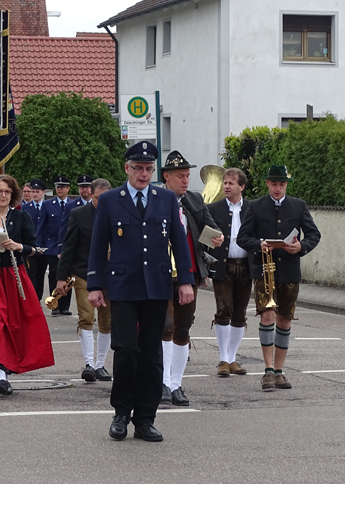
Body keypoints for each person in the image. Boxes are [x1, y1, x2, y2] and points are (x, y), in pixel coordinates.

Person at [87, 141, 194, 442]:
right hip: (123, 286)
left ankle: (145, 418)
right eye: (138, 169)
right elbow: (98, 246)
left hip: (156, 286)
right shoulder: (110, 200)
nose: (144, 174)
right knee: (125, 350)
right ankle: (121, 412)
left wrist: (185, 280)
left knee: (151, 354)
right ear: (127, 169)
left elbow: (179, 243)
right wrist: (95, 285)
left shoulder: (166, 199)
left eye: (148, 169)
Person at [0, 175, 55, 395]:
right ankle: (1, 377)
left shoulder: (21, 217)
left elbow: (34, 249)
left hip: (14, 277)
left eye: (6, 191)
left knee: (15, 324)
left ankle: (9, 367)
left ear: (12, 193)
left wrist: (18, 246)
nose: (3, 195)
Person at [237, 165, 321, 391]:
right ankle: (267, 371)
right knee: (267, 316)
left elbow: (314, 234)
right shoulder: (255, 206)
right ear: (267, 183)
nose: (277, 188)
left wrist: (301, 246)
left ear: (286, 185)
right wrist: (258, 245)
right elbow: (242, 238)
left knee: (284, 320)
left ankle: (280, 371)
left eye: (281, 184)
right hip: (264, 271)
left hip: (289, 271)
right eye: (274, 184)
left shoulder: (298, 205)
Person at [159, 151, 224, 407]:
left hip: (189, 273)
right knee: (164, 326)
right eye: (180, 176)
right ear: (166, 176)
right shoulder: (156, 199)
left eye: (187, 176)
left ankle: (176, 384)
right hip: (162, 272)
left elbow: (209, 230)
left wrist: (216, 238)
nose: (185, 181)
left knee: (183, 327)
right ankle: (162, 382)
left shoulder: (195, 200)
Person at [56, 178, 113, 383]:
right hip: (83, 273)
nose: (101, 202)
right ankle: (89, 364)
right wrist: (61, 277)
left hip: (110, 276)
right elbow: (68, 247)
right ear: (91, 195)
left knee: (107, 322)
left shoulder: (117, 214)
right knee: (86, 318)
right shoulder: (79, 214)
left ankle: (100, 365)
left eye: (105, 198)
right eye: (98, 198)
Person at [207, 167, 252, 377]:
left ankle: (233, 358)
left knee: (240, 314)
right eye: (225, 183)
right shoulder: (214, 208)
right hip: (222, 266)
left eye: (231, 183)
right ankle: (223, 359)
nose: (226, 186)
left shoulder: (251, 209)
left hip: (245, 265)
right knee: (223, 310)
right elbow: (204, 237)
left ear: (241, 187)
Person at [37, 175, 72, 315]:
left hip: (68, 246)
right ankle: (54, 304)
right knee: (54, 275)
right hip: (52, 246)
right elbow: (41, 227)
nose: (59, 189)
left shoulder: (72, 205)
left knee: (68, 277)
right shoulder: (48, 204)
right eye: (58, 187)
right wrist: (39, 245)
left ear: (68, 189)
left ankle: (65, 306)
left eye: (62, 187)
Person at [23, 178, 47, 301]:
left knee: (41, 274)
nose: (35, 194)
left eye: (38, 192)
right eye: (33, 191)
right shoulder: (25, 208)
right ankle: (31, 300)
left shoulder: (47, 207)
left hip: (43, 247)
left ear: (43, 192)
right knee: (31, 273)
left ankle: (38, 299)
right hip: (30, 247)